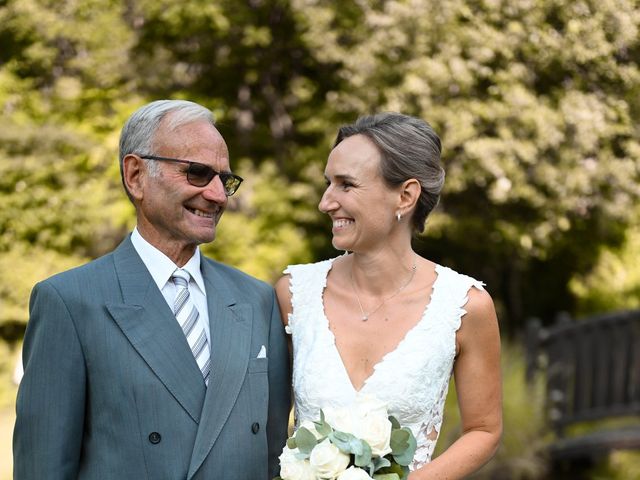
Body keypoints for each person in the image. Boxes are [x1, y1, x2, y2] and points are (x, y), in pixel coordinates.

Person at [14, 100, 290, 480]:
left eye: (224, 180)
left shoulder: (257, 299)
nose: (218, 196)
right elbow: (42, 469)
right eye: (197, 173)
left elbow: (275, 457)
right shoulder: (69, 301)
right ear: (136, 175)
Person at [276, 112, 502, 478]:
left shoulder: (464, 306)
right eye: (328, 184)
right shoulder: (294, 295)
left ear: (406, 195)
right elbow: (264, 425)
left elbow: (484, 430)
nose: (325, 202)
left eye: (345, 185)